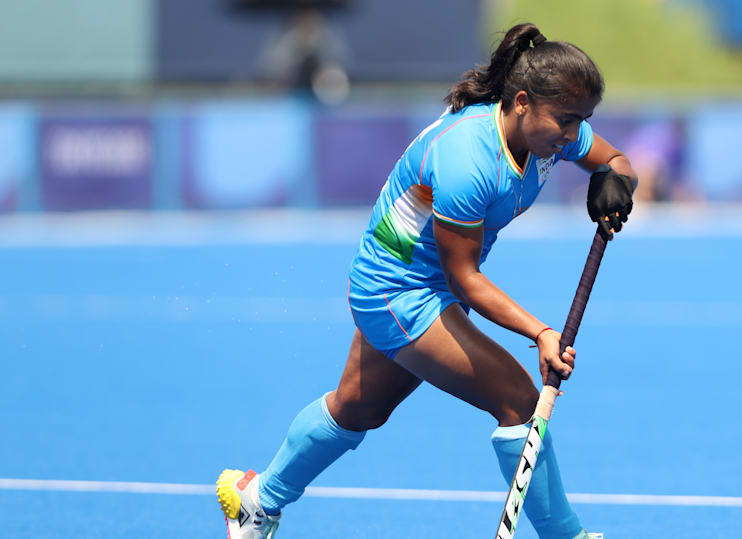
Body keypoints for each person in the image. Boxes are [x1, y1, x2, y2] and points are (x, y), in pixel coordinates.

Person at [217, 22, 636, 539]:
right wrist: (541, 333)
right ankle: (564, 536)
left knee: (358, 407)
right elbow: (464, 279)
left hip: (424, 284)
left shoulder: (547, 130)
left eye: (582, 122)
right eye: (567, 121)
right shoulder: (468, 158)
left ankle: (256, 501)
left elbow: (615, 159)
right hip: (397, 291)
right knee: (518, 399)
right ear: (522, 101)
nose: (573, 136)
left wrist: (614, 179)